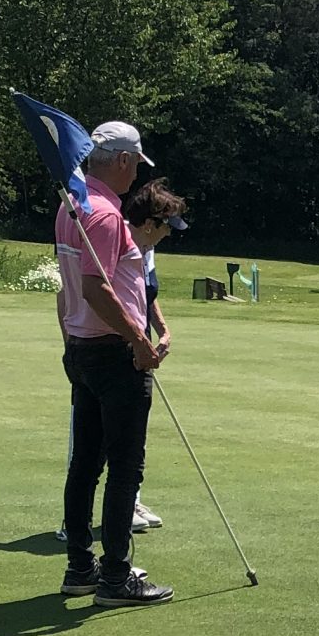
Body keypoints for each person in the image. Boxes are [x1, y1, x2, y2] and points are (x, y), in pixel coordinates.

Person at [54, 122, 173, 606]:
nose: (136, 175)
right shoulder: (102, 213)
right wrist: (138, 341)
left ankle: (81, 568)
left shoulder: (73, 205)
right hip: (112, 353)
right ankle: (116, 577)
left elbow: (72, 289)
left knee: (85, 464)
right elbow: (95, 288)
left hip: (83, 349)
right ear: (123, 160)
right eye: (136, 165)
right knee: (125, 469)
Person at [124, 180, 188, 530]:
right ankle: (79, 518)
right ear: (150, 223)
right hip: (117, 347)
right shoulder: (118, 242)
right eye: (168, 226)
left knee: (135, 431)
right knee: (106, 436)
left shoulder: (147, 249)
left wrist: (162, 330)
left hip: (141, 346)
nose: (170, 233)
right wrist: (137, 340)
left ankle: (131, 501)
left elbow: (147, 295)